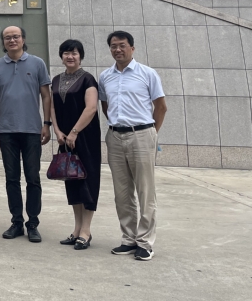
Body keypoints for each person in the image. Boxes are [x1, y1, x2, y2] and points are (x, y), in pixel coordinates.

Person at [99, 31, 167, 261]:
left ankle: (145, 242)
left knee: (145, 191)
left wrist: (151, 133)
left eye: (122, 45)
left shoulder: (147, 73)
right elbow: (106, 106)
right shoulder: (105, 76)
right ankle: (128, 239)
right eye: (113, 46)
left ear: (132, 48)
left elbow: (161, 107)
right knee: (122, 192)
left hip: (142, 135)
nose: (117, 49)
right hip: (115, 136)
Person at [0, 25, 52, 243]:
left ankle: (32, 223)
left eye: (16, 36)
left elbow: (46, 96)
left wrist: (46, 124)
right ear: (3, 41)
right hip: (6, 131)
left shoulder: (37, 63)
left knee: (33, 178)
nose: (12, 40)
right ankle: (16, 222)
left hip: (32, 130)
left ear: (23, 39)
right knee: (11, 179)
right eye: (7, 37)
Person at [51, 39, 101, 250]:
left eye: (74, 53)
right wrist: (57, 130)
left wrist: (74, 132)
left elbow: (91, 108)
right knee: (72, 180)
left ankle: (86, 231)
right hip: (65, 138)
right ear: (61, 56)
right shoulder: (56, 79)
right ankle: (76, 229)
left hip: (85, 137)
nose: (70, 57)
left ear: (81, 56)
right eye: (66, 53)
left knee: (87, 180)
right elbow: (52, 107)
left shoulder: (88, 79)